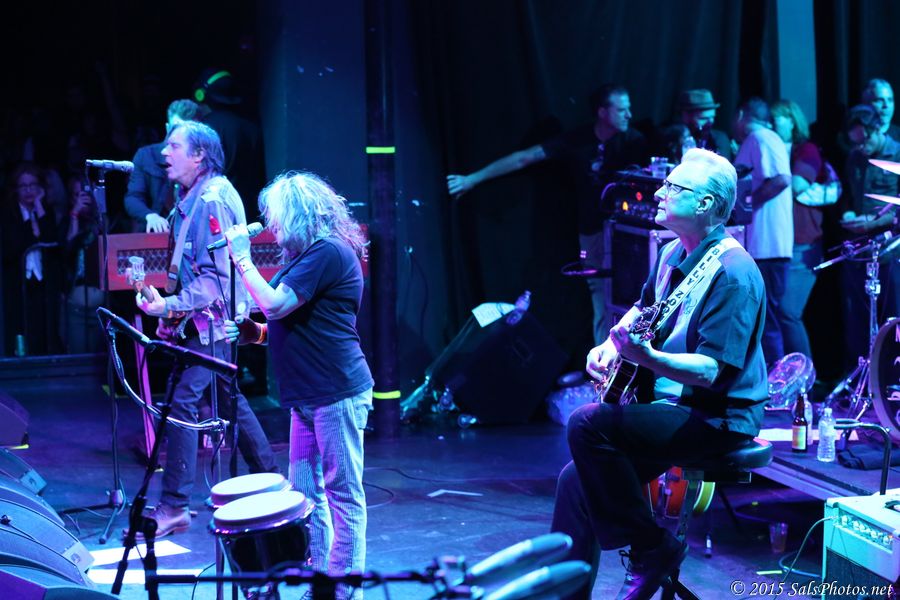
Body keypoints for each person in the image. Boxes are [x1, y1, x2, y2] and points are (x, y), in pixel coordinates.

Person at [551, 148, 767, 600]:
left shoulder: (734, 274)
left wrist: (646, 358)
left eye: (673, 187)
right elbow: (645, 307)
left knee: (586, 424)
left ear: (705, 204)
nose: (659, 193)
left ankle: (651, 548)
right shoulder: (671, 253)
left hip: (715, 417)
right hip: (673, 404)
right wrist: (610, 346)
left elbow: (711, 372)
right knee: (576, 481)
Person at [221, 172, 373, 600]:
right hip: (307, 395)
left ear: (298, 214)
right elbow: (295, 322)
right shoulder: (308, 256)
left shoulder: (329, 252)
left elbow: (274, 304)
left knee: (342, 494)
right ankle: (319, 584)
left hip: (336, 390)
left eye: (277, 217)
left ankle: (344, 592)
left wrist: (242, 259)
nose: (273, 226)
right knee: (306, 496)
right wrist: (256, 334)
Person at [133, 120, 277, 537]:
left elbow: (216, 280)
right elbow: (194, 270)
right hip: (204, 322)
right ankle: (273, 481)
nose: (164, 153)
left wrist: (170, 306)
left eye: (173, 146)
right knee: (228, 399)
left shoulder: (212, 200)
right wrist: (172, 314)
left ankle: (175, 505)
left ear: (199, 155)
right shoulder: (190, 198)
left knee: (182, 403)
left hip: (215, 324)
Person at [447, 84, 648, 343]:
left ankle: (635, 358)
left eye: (628, 109)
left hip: (628, 235)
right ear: (602, 112)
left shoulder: (635, 141)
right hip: (592, 233)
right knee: (601, 299)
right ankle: (603, 361)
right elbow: (525, 158)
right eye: (621, 110)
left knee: (632, 295)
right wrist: (472, 179)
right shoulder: (578, 140)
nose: (629, 115)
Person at [771, 99, 836, 359]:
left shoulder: (806, 150)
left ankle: (805, 376)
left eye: (775, 119)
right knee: (775, 312)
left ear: (791, 121)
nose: (770, 125)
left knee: (788, 311)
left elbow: (797, 185)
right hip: (779, 244)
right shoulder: (775, 150)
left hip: (803, 244)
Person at [733, 97, 793, 366]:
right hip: (763, 247)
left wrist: (746, 206)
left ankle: (775, 380)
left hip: (767, 246)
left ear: (741, 115)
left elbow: (781, 178)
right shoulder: (761, 139)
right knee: (763, 320)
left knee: (766, 321)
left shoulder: (760, 137)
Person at [839, 104, 900, 367]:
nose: (862, 148)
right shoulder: (854, 157)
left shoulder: (897, 155)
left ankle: (891, 376)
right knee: (860, 319)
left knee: (892, 317)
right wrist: (849, 214)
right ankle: (864, 375)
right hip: (863, 248)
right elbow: (849, 194)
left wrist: (873, 222)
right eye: (856, 143)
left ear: (877, 130)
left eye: (865, 141)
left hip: (891, 249)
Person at [1, 162, 64, 356]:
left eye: (33, 185)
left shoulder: (45, 210)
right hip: (18, 281)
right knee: (19, 326)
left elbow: (51, 240)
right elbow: (13, 245)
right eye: (24, 186)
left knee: (43, 325)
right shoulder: (9, 214)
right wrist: (32, 229)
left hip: (42, 281)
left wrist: (38, 206)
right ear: (16, 189)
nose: (29, 190)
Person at [194, 68, 266, 221]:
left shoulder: (204, 128)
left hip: (215, 211)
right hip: (247, 210)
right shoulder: (252, 128)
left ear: (203, 95)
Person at [123, 99, 206, 233]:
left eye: (188, 132)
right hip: (153, 235)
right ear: (168, 128)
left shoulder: (203, 159)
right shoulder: (146, 156)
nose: (182, 136)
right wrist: (150, 216)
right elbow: (133, 198)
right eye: (176, 128)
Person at [676, 89, 733, 160]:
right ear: (686, 117)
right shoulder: (672, 138)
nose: (710, 122)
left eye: (712, 117)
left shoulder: (720, 139)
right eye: (703, 118)